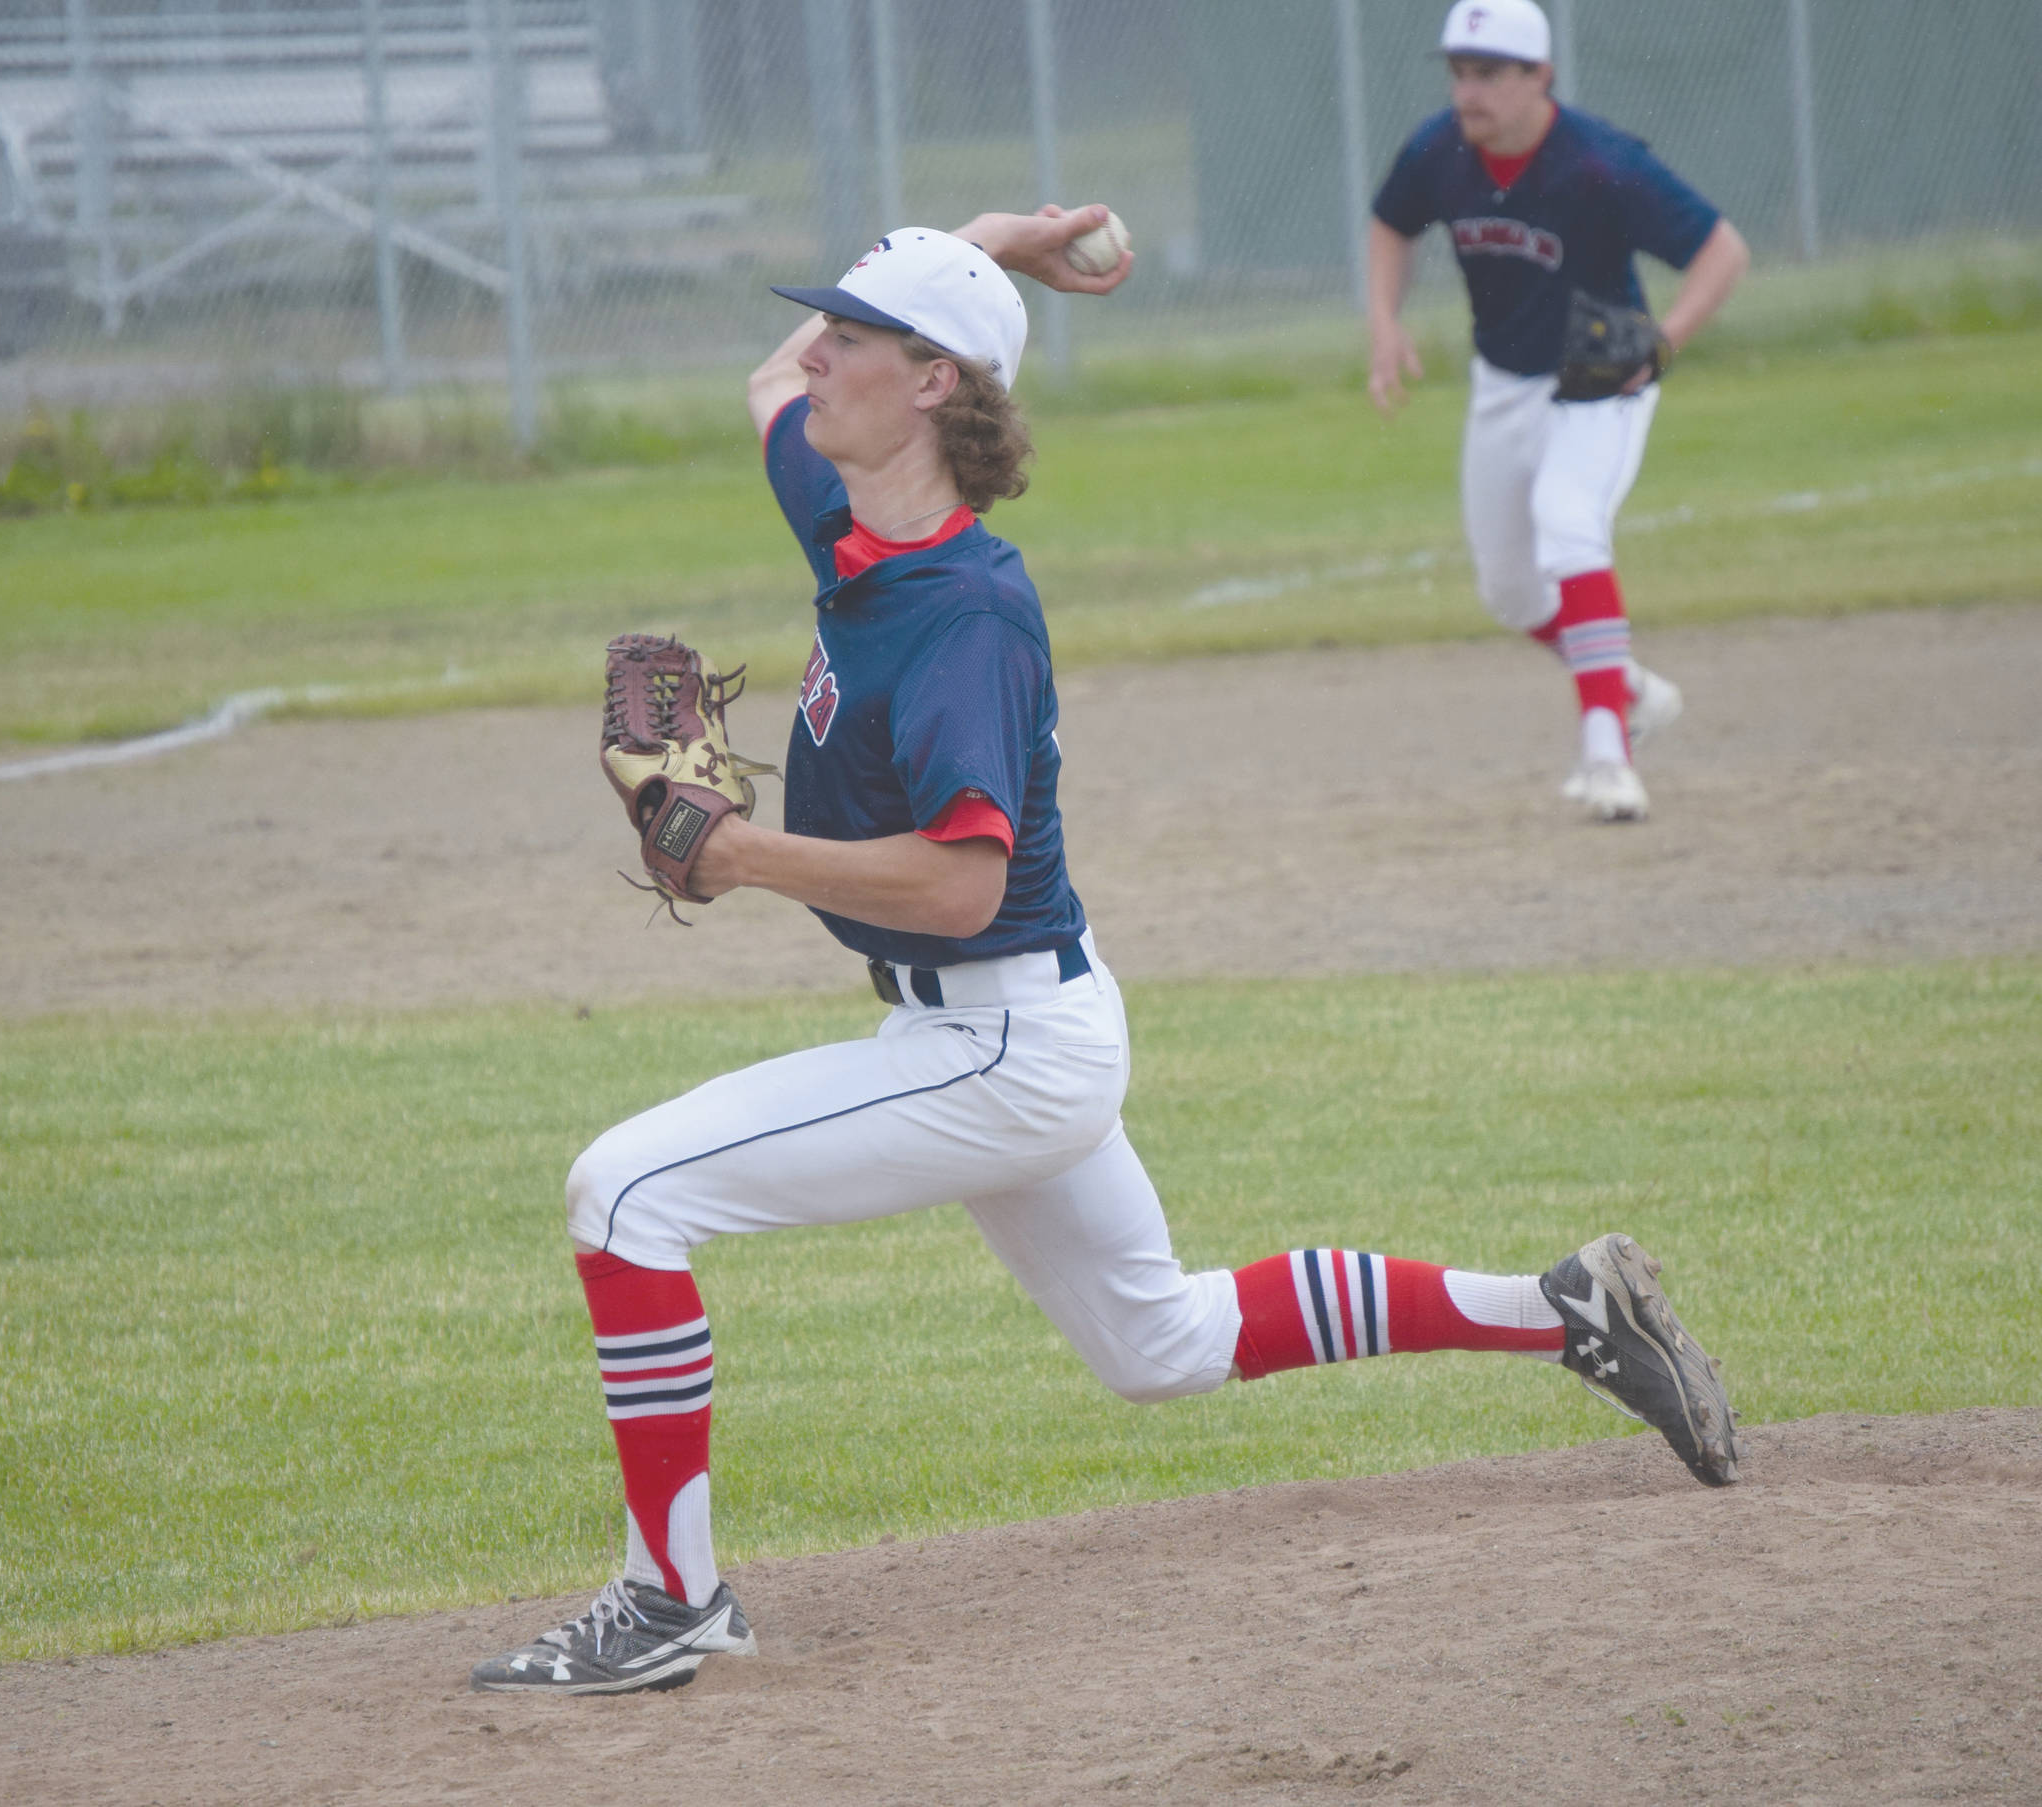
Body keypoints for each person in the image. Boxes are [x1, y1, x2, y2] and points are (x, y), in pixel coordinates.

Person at [472, 205, 1741, 1696]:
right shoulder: (853, 511)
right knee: (1159, 1341)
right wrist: (979, 241)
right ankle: (1562, 1304)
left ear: (933, 383)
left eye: (854, 336)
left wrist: (740, 855)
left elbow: (958, 884)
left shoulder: (965, 612)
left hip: (997, 1043)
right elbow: (767, 392)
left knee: (624, 1188)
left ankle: (669, 1594)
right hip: (1020, 1030)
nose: (813, 351)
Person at [1367, 0, 1750, 822]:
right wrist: (1385, 322)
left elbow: (1724, 250)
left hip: (1597, 376)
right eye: (1460, 73)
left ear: (1541, 76)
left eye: (1490, 75)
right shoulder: (1441, 150)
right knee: (1509, 590)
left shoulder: (1600, 163)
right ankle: (1632, 688)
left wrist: (1665, 342)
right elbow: (1391, 223)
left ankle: (1608, 751)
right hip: (1503, 382)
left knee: (1568, 518)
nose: (1469, 93)